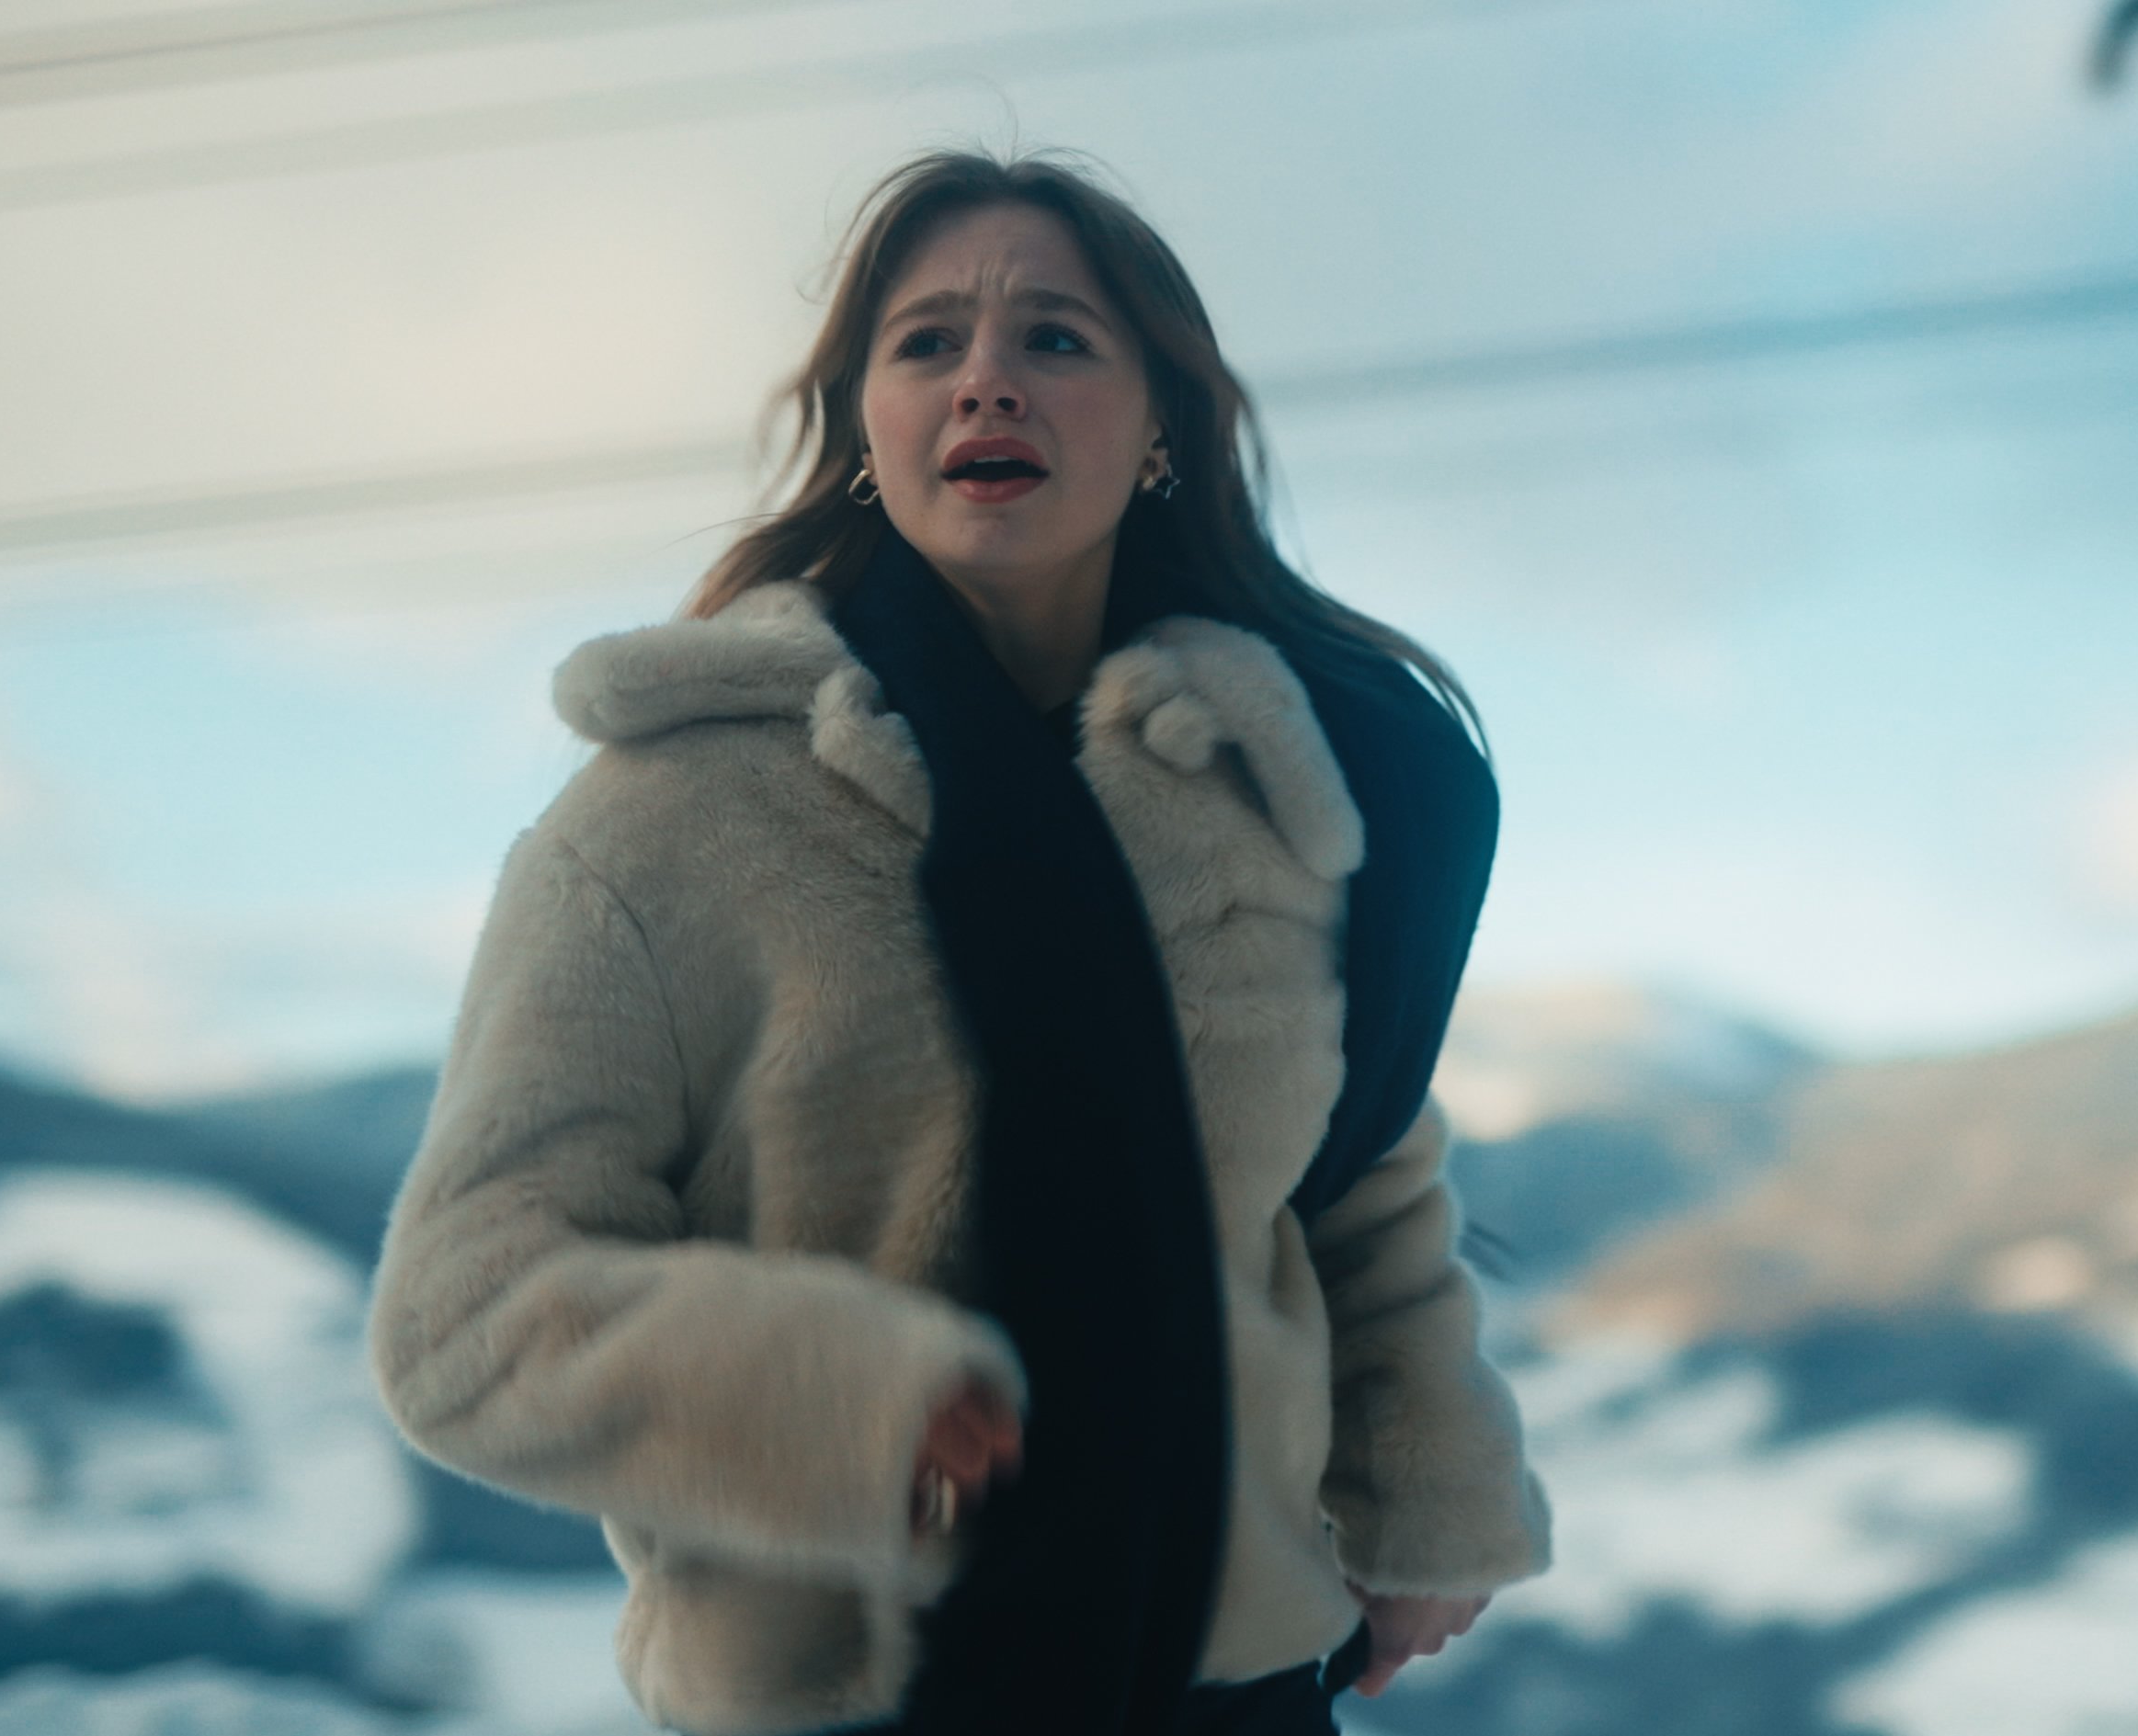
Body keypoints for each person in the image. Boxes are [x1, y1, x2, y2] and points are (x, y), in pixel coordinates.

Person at [364, 149, 1551, 1736]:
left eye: (1055, 337)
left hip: (1230, 1692)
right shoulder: (662, 820)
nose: (986, 377)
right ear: (867, 428)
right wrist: (860, 1403)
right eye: (927, 342)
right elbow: (463, 1309)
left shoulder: (1264, 789)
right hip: (845, 1705)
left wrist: (1424, 1491)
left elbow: (1352, 1176)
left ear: (1158, 428)